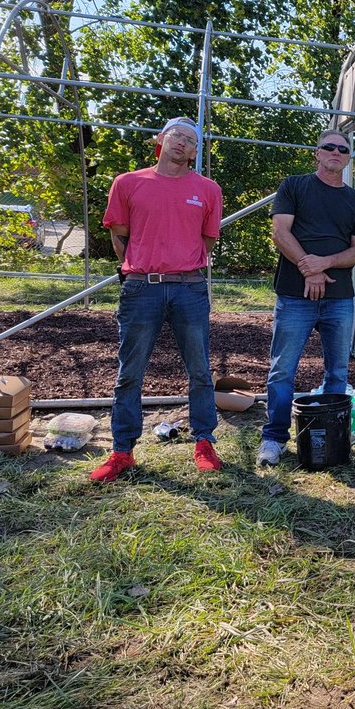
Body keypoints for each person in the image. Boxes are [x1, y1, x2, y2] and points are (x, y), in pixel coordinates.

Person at [91, 116, 224, 483]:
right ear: (161, 140)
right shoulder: (128, 183)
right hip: (141, 288)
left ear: (195, 153)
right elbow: (120, 235)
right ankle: (122, 451)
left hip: (189, 288)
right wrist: (141, 267)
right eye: (176, 135)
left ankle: (204, 442)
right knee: (129, 372)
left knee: (200, 370)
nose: (182, 143)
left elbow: (207, 240)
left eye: (190, 141)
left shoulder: (208, 190)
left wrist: (179, 264)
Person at [257, 130, 355, 467]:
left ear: (348, 158)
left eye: (343, 149)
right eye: (329, 147)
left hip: (339, 298)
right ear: (317, 152)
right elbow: (280, 232)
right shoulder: (294, 186)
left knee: (337, 372)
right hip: (295, 295)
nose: (336, 152)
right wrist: (309, 268)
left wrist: (324, 263)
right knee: (282, 369)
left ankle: (334, 436)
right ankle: (274, 438)